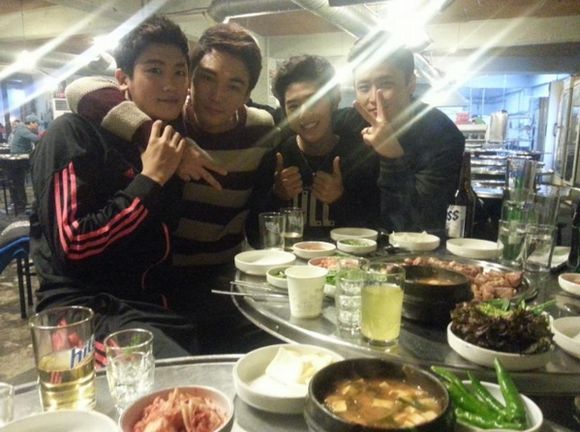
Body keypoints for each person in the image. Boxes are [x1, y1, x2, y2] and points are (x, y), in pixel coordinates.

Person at [64, 22, 280, 354]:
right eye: (206, 78)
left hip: (225, 276)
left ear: (248, 92)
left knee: (276, 347)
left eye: (234, 85)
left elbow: (258, 213)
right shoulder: (167, 119)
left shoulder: (261, 129)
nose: (216, 95)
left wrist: (280, 194)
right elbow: (80, 89)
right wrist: (162, 137)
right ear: (191, 79)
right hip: (163, 282)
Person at [29, 15, 197, 359]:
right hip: (79, 313)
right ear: (123, 79)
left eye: (180, 72)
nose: (170, 84)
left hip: (146, 306)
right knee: (175, 370)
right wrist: (150, 180)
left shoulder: (166, 140)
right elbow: (73, 246)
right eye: (154, 70)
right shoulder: (72, 134)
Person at [334, 35, 465, 234]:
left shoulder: (441, 134)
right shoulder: (351, 121)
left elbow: (421, 224)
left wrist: (392, 156)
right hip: (355, 243)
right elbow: (303, 123)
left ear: (410, 83)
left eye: (386, 84)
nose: (373, 98)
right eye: (364, 87)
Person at [255, 55, 380, 240]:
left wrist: (340, 199)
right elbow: (255, 237)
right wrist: (277, 195)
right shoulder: (276, 159)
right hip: (288, 259)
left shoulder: (360, 157)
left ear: (334, 101)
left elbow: (378, 231)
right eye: (293, 106)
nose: (304, 114)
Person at [8, 114, 40, 214]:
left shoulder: (22, 128)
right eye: (37, 124)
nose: (38, 126)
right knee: (21, 182)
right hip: (19, 159)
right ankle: (22, 204)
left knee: (19, 182)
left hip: (21, 158)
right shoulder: (23, 129)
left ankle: (23, 203)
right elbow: (37, 139)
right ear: (31, 123)